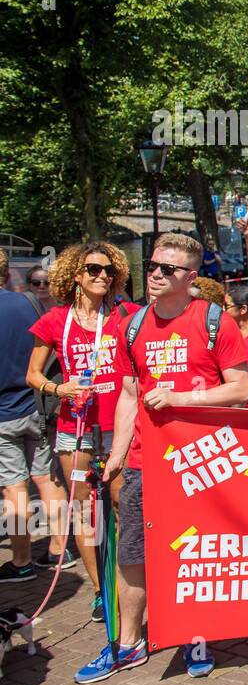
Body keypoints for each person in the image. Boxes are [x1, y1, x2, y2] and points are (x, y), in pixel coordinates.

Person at [76, 233, 248, 684]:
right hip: (142, 459)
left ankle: (196, 637)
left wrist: (182, 396)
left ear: (190, 277)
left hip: (201, 458)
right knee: (132, 551)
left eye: (167, 269)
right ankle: (128, 643)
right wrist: (115, 453)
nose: (155, 274)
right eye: (153, 265)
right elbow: (129, 393)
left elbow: (240, 388)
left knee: (195, 554)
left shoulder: (215, 321)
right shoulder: (131, 325)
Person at [24, 243, 138, 617]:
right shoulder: (55, 321)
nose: (102, 276)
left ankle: (128, 584)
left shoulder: (126, 314)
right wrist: (60, 389)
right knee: (86, 512)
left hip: (117, 428)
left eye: (108, 271)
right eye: (93, 269)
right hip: (75, 428)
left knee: (122, 507)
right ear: (76, 275)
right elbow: (33, 375)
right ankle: (102, 591)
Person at [0, 251, 65, 588]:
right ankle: (59, 550)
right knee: (47, 479)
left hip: (3, 414)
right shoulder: (28, 303)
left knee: (14, 488)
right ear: (7, 273)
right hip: (35, 405)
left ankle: (22, 561)